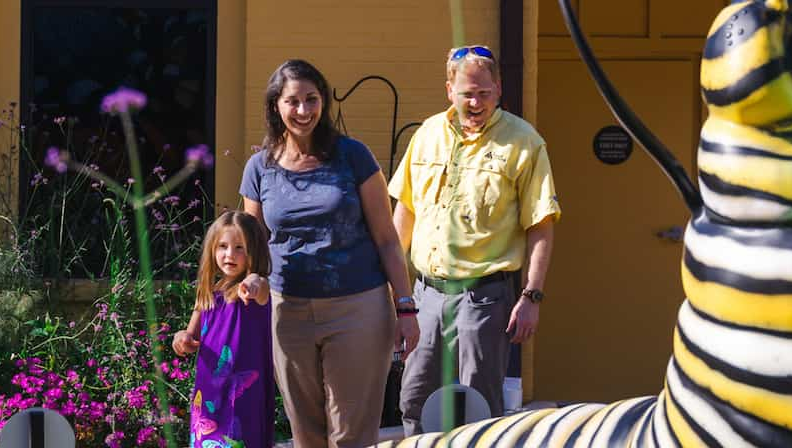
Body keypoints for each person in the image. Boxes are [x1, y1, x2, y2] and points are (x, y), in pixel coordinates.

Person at [240, 59, 419, 447]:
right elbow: (249, 245)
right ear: (275, 106)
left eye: (312, 99)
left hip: (358, 307)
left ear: (324, 102)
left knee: (352, 431)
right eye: (293, 101)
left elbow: (388, 239)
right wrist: (251, 278)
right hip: (287, 310)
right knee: (305, 430)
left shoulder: (353, 156)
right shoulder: (259, 168)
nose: (303, 111)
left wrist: (406, 307)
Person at [389, 45, 559, 435]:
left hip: (484, 300)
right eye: (467, 93)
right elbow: (405, 214)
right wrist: (393, 292)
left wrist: (531, 296)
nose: (475, 102)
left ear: (499, 89)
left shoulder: (524, 143)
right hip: (424, 296)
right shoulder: (427, 134)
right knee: (413, 399)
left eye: (484, 93)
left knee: (478, 409)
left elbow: (541, 226)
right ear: (449, 90)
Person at [171, 210, 277, 448]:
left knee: (240, 439)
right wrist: (181, 338)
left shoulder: (257, 289)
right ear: (212, 249)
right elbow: (190, 334)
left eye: (240, 247)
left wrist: (251, 284)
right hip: (209, 391)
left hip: (243, 394)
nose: (230, 254)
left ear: (255, 251)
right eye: (223, 246)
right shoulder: (209, 292)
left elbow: (260, 286)